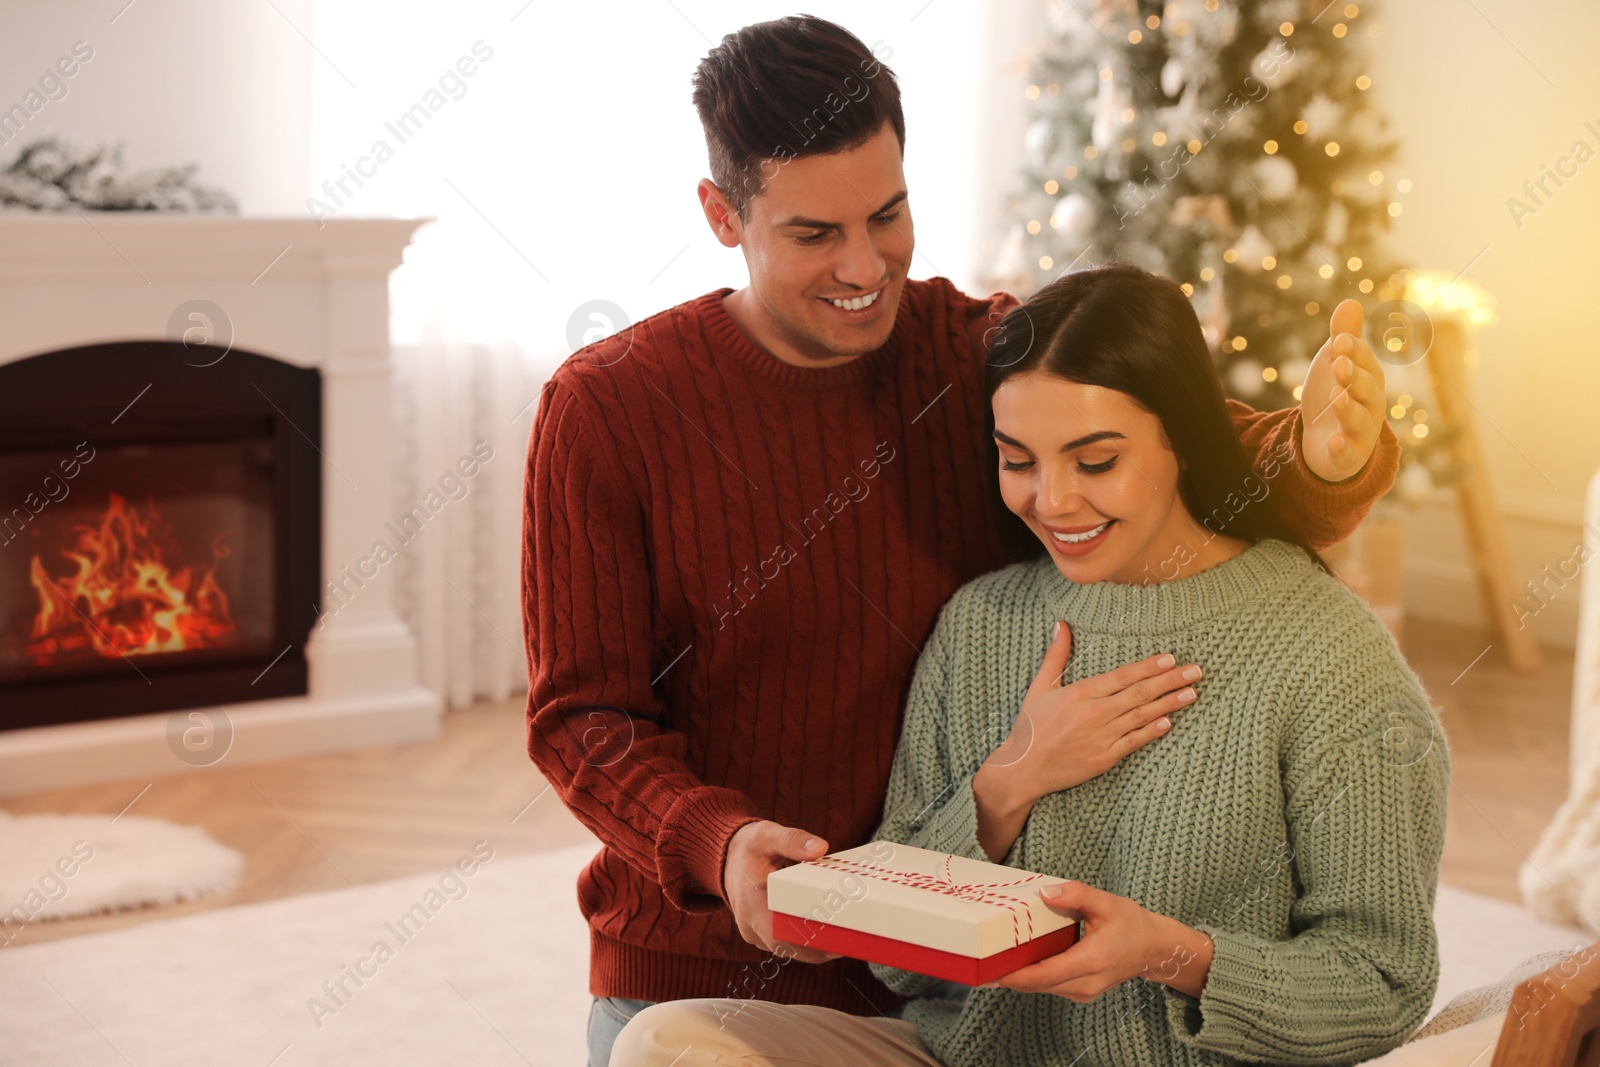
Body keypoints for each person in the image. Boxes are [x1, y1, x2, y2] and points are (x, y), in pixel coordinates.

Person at [520, 17, 1399, 1067]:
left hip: (960, 976)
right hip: (711, 965)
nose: (865, 266)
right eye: (813, 234)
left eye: (887, 214)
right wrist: (724, 842)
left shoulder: (964, 348)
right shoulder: (608, 408)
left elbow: (1174, 439)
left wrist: (1325, 455)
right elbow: (584, 717)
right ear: (721, 214)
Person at [610, 264, 1448, 1066]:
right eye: (1019, 460)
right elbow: (898, 970)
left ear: (1187, 441)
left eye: (1095, 461)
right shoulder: (983, 621)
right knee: (666, 1043)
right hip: (961, 1054)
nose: (1052, 500)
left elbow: (1383, 983)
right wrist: (1005, 784)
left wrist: (1174, 955)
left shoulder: (1329, 654)